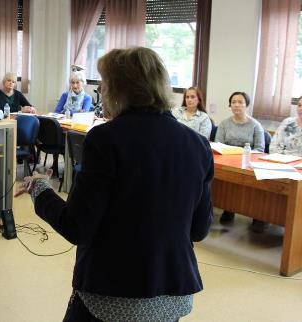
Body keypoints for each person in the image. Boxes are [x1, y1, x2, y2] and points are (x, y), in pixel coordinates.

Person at [16, 47, 213, 322]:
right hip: (172, 294)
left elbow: (77, 227)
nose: (102, 93)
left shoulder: (106, 139)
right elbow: (199, 229)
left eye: (104, 85)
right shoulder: (198, 144)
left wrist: (40, 189)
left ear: (120, 89)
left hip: (113, 294)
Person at [215, 92, 267, 231]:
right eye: (233, 102)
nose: (236, 105)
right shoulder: (224, 124)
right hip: (227, 161)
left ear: (247, 105)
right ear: (230, 105)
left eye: (240, 102)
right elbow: (218, 144)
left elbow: (260, 149)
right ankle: (228, 208)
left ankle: (258, 215)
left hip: (249, 163)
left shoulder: (255, 125)